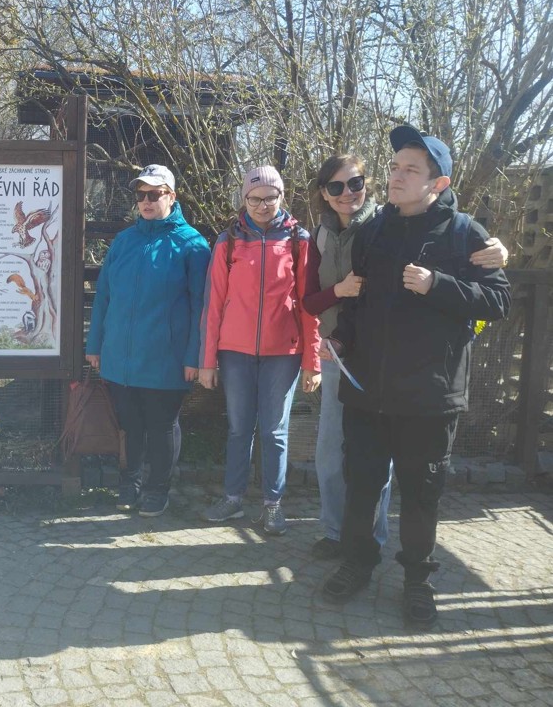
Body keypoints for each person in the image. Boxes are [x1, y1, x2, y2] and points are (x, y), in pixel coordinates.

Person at [320, 126, 510, 627]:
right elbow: (358, 302)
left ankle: (417, 581)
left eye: (410, 169)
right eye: (394, 166)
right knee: (362, 487)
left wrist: (437, 285)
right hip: (367, 391)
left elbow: (498, 300)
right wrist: (341, 340)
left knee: (421, 495)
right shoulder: (372, 232)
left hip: (429, 397)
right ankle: (357, 563)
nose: (396, 176)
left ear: (438, 183)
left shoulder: (465, 234)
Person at [199, 166, 321, 536]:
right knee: (239, 429)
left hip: (283, 353)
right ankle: (233, 499)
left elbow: (310, 306)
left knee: (274, 431)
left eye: (270, 197)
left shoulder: (300, 240)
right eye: (254, 198)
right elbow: (213, 304)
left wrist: (312, 361)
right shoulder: (228, 241)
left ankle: (273, 505)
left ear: (282, 196)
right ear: (244, 199)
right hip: (233, 352)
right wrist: (207, 361)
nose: (262, 205)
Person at [85, 164, 210, 517]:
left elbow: (202, 307)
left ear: (171, 196)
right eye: (141, 195)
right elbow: (104, 296)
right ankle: (131, 483)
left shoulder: (192, 245)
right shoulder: (124, 242)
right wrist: (95, 345)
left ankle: (158, 489)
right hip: (121, 358)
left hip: (166, 359)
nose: (146, 201)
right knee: (130, 426)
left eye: (154, 194)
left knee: (161, 427)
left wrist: (195, 356)